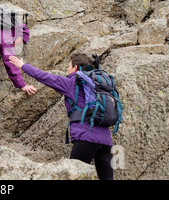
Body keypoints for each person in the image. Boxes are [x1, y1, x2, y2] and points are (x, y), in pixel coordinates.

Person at [9, 52, 114, 180]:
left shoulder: (72, 83)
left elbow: (45, 77)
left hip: (86, 137)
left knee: (74, 176)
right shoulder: (99, 87)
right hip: (106, 141)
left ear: (75, 68)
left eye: (68, 66)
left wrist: (23, 66)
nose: (66, 69)